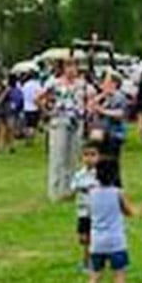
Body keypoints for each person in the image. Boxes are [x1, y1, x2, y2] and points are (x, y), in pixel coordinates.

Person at [82, 161, 136, 283]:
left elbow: (89, 214)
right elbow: (128, 211)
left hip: (97, 242)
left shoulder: (91, 193)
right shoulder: (117, 193)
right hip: (116, 241)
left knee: (95, 276)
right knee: (119, 275)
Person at [40, 63, 92, 202]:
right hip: (59, 121)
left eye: (74, 66)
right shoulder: (54, 83)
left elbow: (91, 99)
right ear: (63, 69)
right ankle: (55, 191)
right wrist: (48, 112)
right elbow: (40, 98)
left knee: (73, 157)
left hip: (76, 122)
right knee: (58, 157)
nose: (72, 70)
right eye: (68, 66)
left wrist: (87, 111)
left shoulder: (83, 85)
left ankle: (70, 190)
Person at [71, 143, 102, 269]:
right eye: (86, 155)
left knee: (93, 237)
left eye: (93, 155)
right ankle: (86, 260)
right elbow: (73, 188)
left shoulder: (100, 174)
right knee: (83, 238)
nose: (89, 158)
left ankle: (92, 261)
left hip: (96, 211)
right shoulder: (79, 174)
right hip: (83, 211)